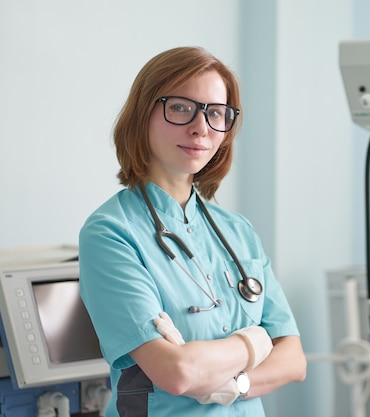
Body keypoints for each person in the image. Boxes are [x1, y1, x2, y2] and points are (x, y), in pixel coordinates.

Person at [79, 46, 307, 417]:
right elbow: (178, 372)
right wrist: (257, 339)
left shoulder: (238, 231)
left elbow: (294, 360)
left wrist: (234, 386)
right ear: (143, 114)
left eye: (216, 113)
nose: (201, 127)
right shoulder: (110, 234)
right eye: (181, 107)